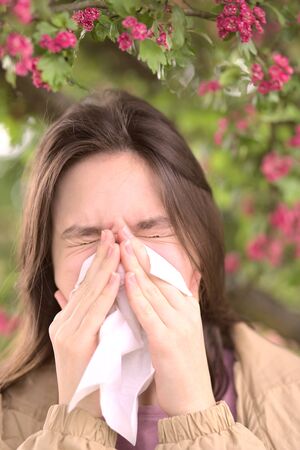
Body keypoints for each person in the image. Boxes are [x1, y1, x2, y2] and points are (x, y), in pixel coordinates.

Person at [0, 88, 299, 450]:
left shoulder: (291, 398)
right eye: (88, 238)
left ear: (199, 250)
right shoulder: (8, 416)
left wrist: (197, 418)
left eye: (153, 230)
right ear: (48, 267)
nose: (125, 259)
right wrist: (74, 425)